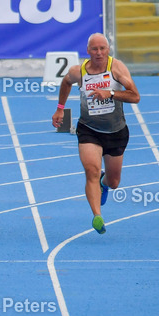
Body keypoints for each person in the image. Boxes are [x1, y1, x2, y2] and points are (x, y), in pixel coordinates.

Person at [52, 33, 140, 234]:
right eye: (95, 49)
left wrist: (109, 93)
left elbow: (135, 97)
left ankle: (104, 182)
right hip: (89, 129)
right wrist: (59, 108)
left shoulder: (116, 68)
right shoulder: (79, 72)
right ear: (88, 51)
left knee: (114, 182)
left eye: (102, 48)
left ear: (108, 50)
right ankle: (97, 216)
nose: (99, 53)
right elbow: (66, 82)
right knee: (91, 170)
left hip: (116, 131)